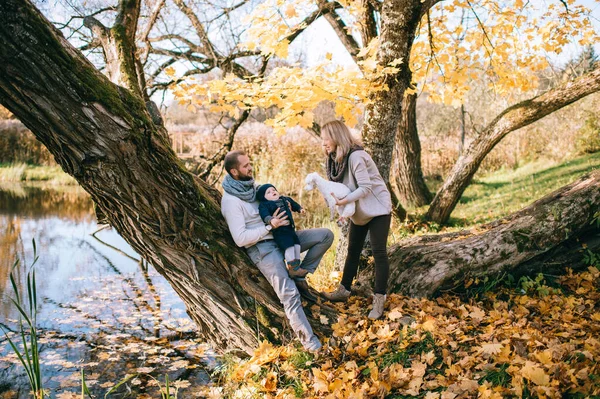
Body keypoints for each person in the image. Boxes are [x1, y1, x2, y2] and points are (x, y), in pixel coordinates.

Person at [220, 150, 334, 353]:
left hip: (283, 237)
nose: (250, 167)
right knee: (289, 295)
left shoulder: (252, 187)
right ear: (234, 172)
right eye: (246, 166)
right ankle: (311, 344)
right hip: (262, 248)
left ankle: (299, 272)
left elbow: (271, 199)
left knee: (325, 235)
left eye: (249, 163)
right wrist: (269, 226)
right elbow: (240, 239)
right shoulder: (231, 202)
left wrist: (285, 205)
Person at [320, 121, 393, 320]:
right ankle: (344, 290)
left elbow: (366, 187)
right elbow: (339, 188)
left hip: (377, 208)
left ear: (337, 137)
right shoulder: (335, 160)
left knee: (379, 252)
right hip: (359, 210)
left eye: (326, 138)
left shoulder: (357, 156)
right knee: (352, 250)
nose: (323, 143)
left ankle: (379, 299)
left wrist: (345, 201)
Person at [256, 184, 308, 277]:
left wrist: (300, 209)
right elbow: (264, 215)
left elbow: (293, 203)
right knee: (289, 247)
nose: (273, 192)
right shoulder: (265, 204)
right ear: (263, 197)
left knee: (297, 245)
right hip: (280, 232)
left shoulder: (284, 199)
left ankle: (296, 267)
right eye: (268, 192)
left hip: (290, 229)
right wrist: (271, 220)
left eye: (273, 190)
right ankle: (292, 268)